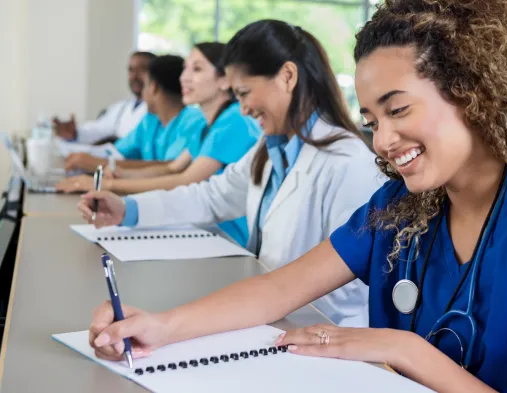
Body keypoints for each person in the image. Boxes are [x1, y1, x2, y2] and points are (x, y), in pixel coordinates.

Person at [88, 3, 507, 392]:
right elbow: (280, 289)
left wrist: (407, 351)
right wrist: (160, 326)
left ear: (474, 94)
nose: (383, 140)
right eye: (371, 119)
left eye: (397, 110)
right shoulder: (405, 204)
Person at [79, 20, 382, 327]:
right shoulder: (271, 148)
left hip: (316, 331)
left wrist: (259, 303)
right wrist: (128, 209)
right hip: (267, 318)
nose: (243, 108)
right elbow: (211, 197)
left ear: (288, 76)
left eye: (244, 92)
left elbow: (349, 288)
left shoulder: (347, 162)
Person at [57, 42, 261, 246]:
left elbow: (187, 179)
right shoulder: (207, 124)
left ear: (225, 80)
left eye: (197, 69)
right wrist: (121, 176)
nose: (184, 78)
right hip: (200, 228)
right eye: (185, 69)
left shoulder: (233, 121)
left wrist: (108, 185)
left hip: (226, 237)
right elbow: (172, 167)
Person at [63, 55, 208, 173]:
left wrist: (98, 164)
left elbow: (173, 167)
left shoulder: (194, 121)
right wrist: (84, 158)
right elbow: (117, 153)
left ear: (153, 87)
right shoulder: (150, 121)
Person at [53, 51, 156, 145]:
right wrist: (75, 133)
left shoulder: (158, 110)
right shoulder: (122, 107)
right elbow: (99, 129)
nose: (134, 76)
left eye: (141, 70)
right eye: (131, 70)